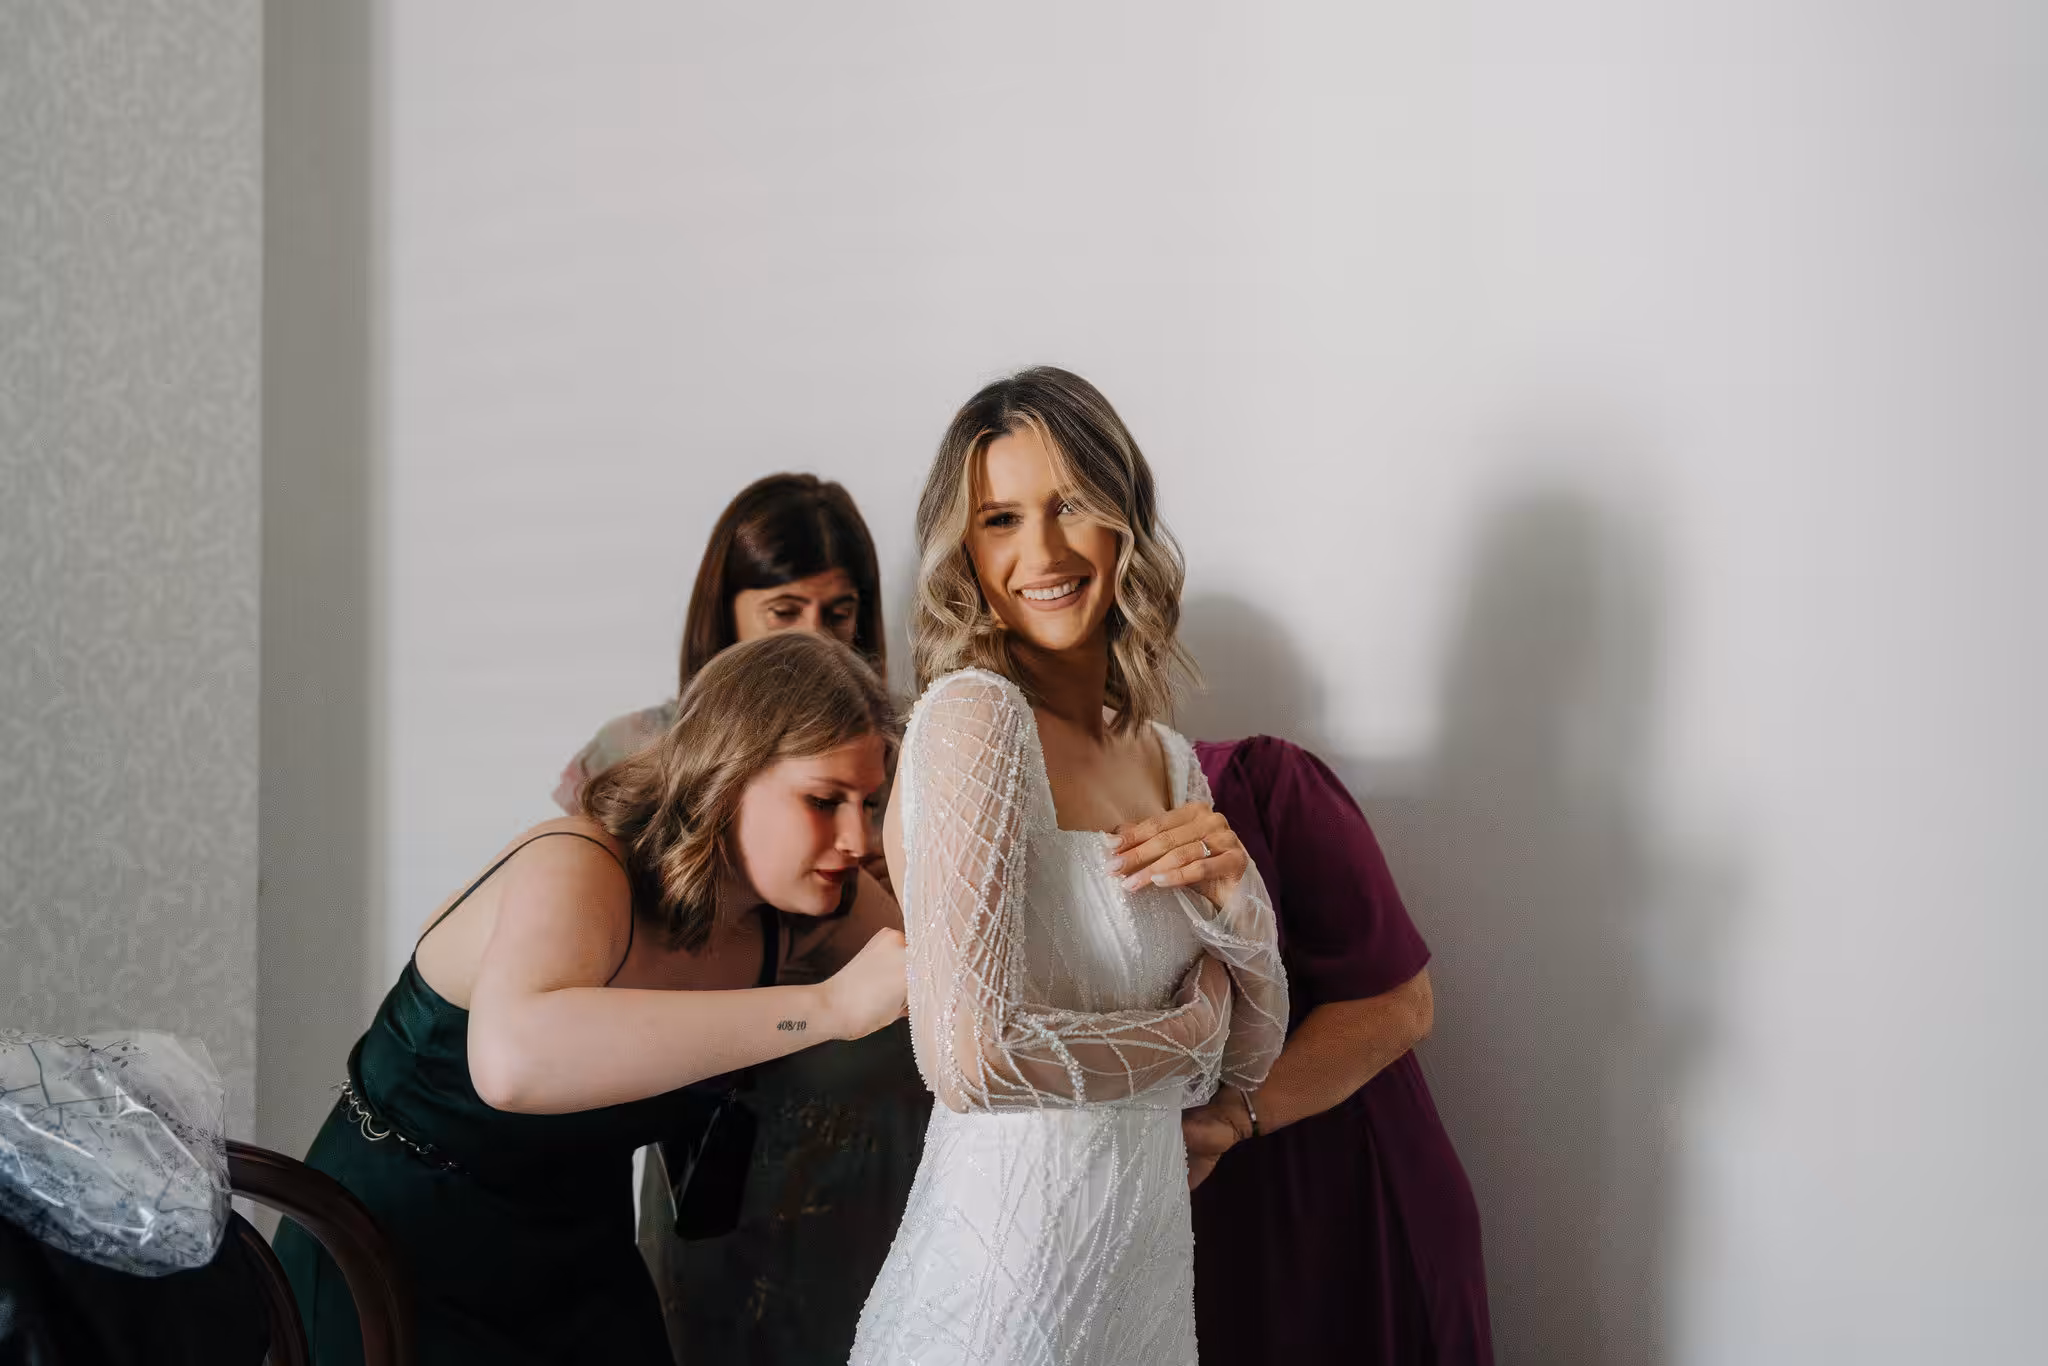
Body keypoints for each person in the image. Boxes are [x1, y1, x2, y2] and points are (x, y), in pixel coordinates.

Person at [275, 633, 909, 1365]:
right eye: (824, 800)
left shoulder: (811, 905)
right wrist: (826, 1009)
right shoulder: (578, 861)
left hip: (576, 1251)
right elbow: (513, 1066)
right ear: (727, 775)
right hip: (397, 1249)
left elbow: (954, 976)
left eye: (870, 802)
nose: (857, 837)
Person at [850, 367, 1290, 1365]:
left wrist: (1240, 903)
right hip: (1000, 1297)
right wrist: (1184, 1038)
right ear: (964, 550)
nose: (1042, 552)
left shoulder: (1165, 757)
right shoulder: (972, 719)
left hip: (1142, 1292)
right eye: (1000, 519)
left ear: (1123, 520)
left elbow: (1245, 1067)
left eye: (1070, 506)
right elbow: (968, 1060)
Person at [552, 471, 929, 1363]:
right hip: (713, 1111)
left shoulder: (905, 748)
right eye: (784, 610)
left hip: (869, 1108)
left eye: (840, 614)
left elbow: (938, 949)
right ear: (723, 615)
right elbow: (587, 970)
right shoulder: (635, 753)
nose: (816, 638)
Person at [1182, 736, 1494, 1363]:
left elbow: (1401, 1005)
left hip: (1346, 1208)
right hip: (1189, 1244)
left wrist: (1230, 1118)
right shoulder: (1004, 843)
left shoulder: (1256, 780)